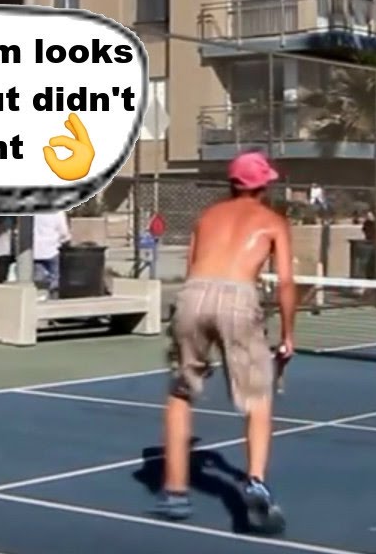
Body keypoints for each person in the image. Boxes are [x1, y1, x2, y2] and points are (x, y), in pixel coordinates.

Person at [154, 150, 295, 534]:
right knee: (258, 396)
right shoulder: (272, 221)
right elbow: (284, 282)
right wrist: (287, 334)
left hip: (193, 295)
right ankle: (255, 481)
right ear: (263, 185)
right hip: (238, 298)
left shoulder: (208, 217)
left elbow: (190, 270)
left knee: (181, 394)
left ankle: (176, 492)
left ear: (232, 183)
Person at [32, 211, 70, 299]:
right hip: (52, 249)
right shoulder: (57, 211)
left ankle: (39, 299)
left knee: (38, 279)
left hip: (35, 250)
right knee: (55, 279)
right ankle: (53, 300)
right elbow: (63, 231)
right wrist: (66, 239)